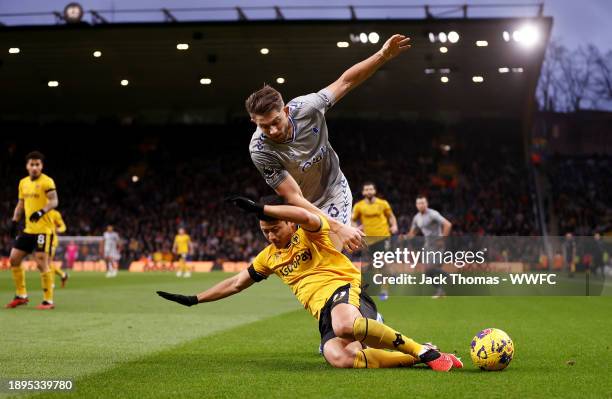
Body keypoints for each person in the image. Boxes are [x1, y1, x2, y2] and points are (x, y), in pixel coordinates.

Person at [157, 195, 462, 371]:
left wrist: (264, 208)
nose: (270, 235)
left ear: (288, 222)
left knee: (344, 325)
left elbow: (304, 213)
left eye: (274, 228)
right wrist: (195, 299)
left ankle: (425, 352)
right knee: (338, 357)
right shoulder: (268, 257)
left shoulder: (310, 231)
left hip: (345, 290)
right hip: (323, 312)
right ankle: (412, 357)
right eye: (265, 231)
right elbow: (236, 283)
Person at [247, 34, 411, 253]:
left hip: (333, 191)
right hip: (302, 203)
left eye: (276, 121)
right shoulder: (260, 150)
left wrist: (382, 55)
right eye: (264, 126)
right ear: (254, 122)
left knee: (329, 253)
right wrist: (337, 226)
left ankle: (361, 286)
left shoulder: (308, 107)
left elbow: (346, 81)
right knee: (305, 265)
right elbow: (293, 196)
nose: (273, 130)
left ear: (285, 111)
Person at [6, 151, 59, 310]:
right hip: (29, 230)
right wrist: (14, 221)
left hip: (44, 230)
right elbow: (20, 204)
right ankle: (21, 295)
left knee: (41, 262)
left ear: (41, 166)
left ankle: (48, 300)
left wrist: (41, 212)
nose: (35, 167)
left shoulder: (47, 181)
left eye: (37, 164)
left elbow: (54, 201)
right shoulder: (23, 183)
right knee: (14, 259)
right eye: (32, 164)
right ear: (27, 166)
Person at [352, 182, 398, 299]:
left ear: (374, 191)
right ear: (363, 192)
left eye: (370, 189)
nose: (368, 191)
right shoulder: (359, 206)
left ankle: (384, 290)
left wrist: (394, 225)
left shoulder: (383, 203)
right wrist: (355, 228)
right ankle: (392, 275)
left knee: (381, 263)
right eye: (366, 190)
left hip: (383, 237)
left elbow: (391, 216)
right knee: (371, 266)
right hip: (368, 240)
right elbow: (352, 219)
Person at [406, 196, 452, 298]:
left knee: (431, 268)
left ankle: (450, 278)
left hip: (437, 245)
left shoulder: (433, 214)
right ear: (416, 205)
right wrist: (404, 237)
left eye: (423, 203)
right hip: (427, 246)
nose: (421, 205)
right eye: (419, 203)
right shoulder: (417, 217)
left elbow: (448, 225)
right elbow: (413, 232)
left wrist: (442, 239)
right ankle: (441, 290)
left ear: (427, 204)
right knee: (427, 272)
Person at [48, 209, 69, 288]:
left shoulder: (55, 213)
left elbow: (63, 226)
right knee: (44, 263)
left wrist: (58, 230)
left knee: (48, 262)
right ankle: (63, 274)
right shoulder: (41, 212)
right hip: (43, 240)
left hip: (52, 241)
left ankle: (51, 283)